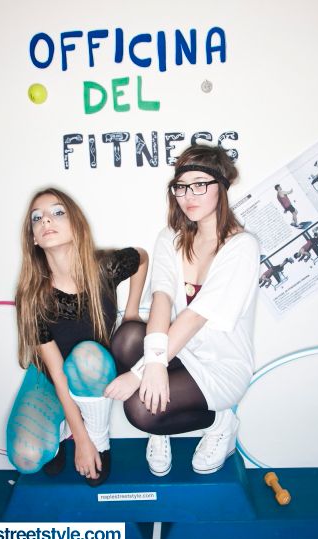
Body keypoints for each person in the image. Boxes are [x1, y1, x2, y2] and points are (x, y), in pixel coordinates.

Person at [105, 145, 260, 476]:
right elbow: (161, 297)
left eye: (199, 184)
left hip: (220, 366)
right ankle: (162, 418)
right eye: (181, 186)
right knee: (127, 338)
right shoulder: (170, 238)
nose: (188, 195)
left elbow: (195, 316)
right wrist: (153, 365)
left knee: (140, 410)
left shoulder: (242, 247)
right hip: (179, 350)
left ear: (221, 187)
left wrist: (142, 372)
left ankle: (220, 421)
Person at [7, 188, 148, 485]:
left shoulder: (105, 268)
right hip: (51, 376)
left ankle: (99, 438)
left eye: (57, 213)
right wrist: (78, 441)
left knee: (87, 356)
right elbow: (58, 373)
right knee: (26, 458)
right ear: (33, 238)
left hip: (92, 369)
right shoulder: (32, 296)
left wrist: (132, 312)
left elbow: (142, 258)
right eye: (37, 218)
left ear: (76, 225)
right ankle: (62, 430)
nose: (46, 220)